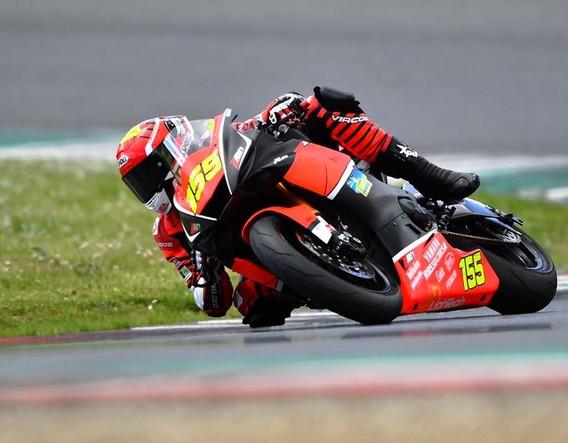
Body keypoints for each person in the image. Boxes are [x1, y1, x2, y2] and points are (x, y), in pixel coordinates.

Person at [115, 86, 480, 327]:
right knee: (252, 307)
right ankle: (331, 280)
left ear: (170, 154)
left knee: (321, 104)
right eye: (137, 183)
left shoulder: (213, 148)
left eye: (147, 175)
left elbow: (253, 123)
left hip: (301, 170)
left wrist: (277, 111)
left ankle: (429, 175)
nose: (146, 189)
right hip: (265, 251)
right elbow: (213, 303)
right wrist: (204, 270)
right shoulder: (168, 233)